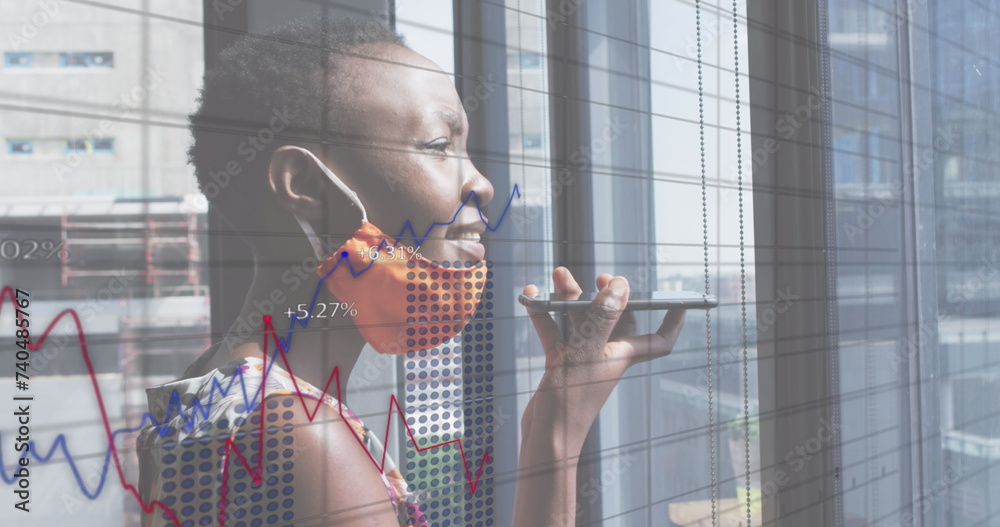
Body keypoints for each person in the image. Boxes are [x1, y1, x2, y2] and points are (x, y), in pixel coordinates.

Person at [136, 17, 685, 527]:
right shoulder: (299, 435)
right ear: (305, 188)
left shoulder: (218, 392)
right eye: (439, 146)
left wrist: (555, 413)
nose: (482, 184)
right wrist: (560, 433)